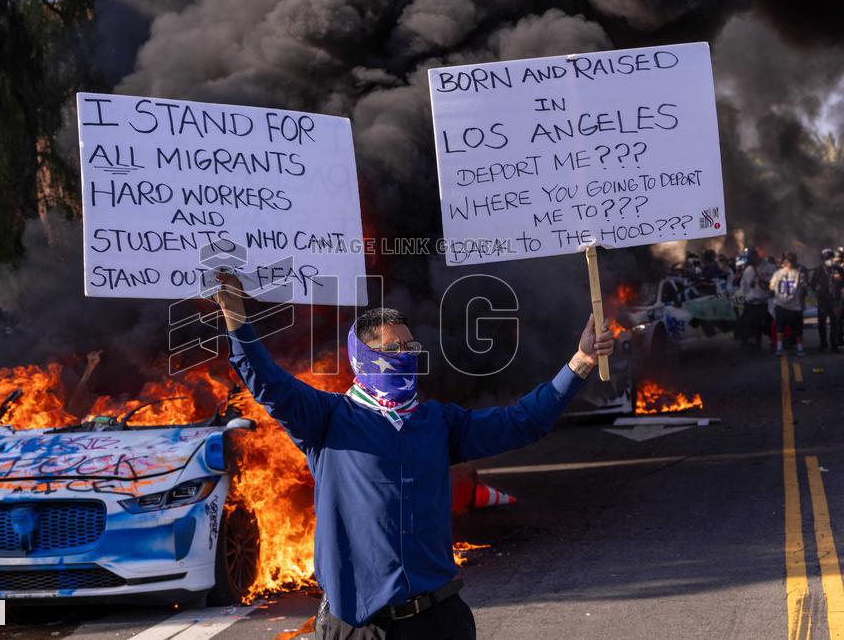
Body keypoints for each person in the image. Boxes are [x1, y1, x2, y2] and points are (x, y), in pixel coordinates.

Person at [212, 272, 614, 639]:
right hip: (360, 628)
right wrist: (235, 316)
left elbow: (523, 422)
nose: (404, 355)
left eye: (409, 346)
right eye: (391, 348)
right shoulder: (327, 420)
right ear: (361, 358)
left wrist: (579, 363)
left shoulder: (438, 422)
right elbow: (267, 381)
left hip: (439, 622)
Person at [770, 252, 806, 356]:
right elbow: (803, 287)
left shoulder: (777, 273)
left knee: (780, 328)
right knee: (797, 329)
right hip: (794, 306)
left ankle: (780, 348)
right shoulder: (797, 273)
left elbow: (771, 287)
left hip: (781, 304)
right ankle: (800, 349)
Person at [810, 249, 840, 353]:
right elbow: (812, 284)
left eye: (831, 258)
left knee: (835, 323)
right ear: (823, 259)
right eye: (827, 258)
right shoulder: (818, 270)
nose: (829, 260)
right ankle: (823, 344)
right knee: (821, 323)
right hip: (822, 300)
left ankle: (834, 345)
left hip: (835, 301)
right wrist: (817, 290)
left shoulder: (838, 269)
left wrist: (840, 279)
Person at [739, 248, 768, 349]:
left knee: (759, 324)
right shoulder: (748, 270)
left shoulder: (768, 267)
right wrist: (746, 296)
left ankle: (758, 342)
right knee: (747, 322)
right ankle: (749, 342)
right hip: (751, 302)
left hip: (764, 301)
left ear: (756, 257)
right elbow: (743, 285)